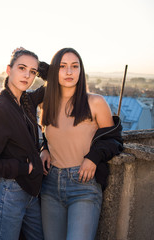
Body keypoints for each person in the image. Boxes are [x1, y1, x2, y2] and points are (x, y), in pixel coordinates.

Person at [39, 47, 123, 240]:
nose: (69, 72)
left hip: (83, 186)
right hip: (50, 185)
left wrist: (93, 158)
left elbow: (113, 138)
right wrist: (44, 149)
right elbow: (50, 136)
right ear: (55, 71)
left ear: (80, 71)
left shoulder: (95, 102)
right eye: (62, 66)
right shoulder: (47, 104)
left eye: (74, 66)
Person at [0, 48, 45, 240]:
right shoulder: (1, 108)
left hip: (30, 191)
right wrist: (25, 168)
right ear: (9, 70)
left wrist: (46, 70)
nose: (27, 75)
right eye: (22, 68)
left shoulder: (26, 101)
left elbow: (53, 88)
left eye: (33, 72)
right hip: (8, 192)